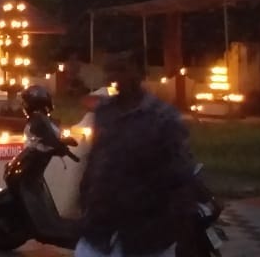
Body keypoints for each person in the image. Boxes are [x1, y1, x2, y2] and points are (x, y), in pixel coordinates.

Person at [76, 52, 196, 257]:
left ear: (140, 73)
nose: (116, 77)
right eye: (111, 70)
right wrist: (86, 194)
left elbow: (179, 174)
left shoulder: (162, 117)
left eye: (123, 70)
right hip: (100, 227)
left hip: (144, 232)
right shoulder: (104, 112)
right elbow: (97, 156)